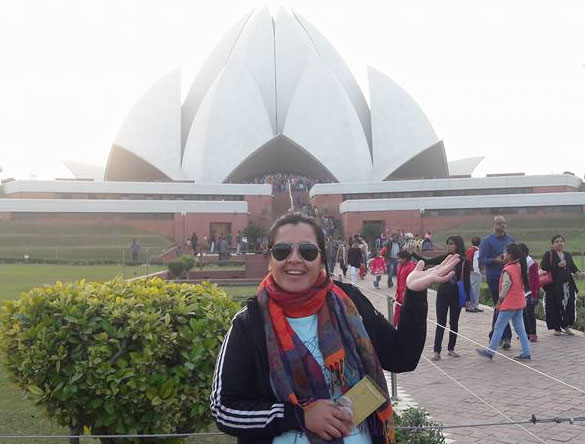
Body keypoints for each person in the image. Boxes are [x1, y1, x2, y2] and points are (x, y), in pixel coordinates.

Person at [210, 213, 459, 444]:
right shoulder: (250, 323)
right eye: (282, 250)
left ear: (321, 258)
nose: (294, 259)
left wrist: (413, 295)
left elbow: (402, 357)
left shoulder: (349, 302)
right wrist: (299, 416)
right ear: (270, 259)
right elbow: (223, 409)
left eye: (307, 251)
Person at [417, 236, 470, 361]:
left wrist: (468, 297)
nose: (449, 246)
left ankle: (451, 348)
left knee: (454, 322)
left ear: (458, 245)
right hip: (443, 293)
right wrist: (412, 253)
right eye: (448, 244)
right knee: (441, 322)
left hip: (456, 294)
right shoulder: (446, 259)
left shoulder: (464, 261)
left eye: (451, 244)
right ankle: (437, 350)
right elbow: (426, 260)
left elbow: (467, 280)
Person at [477, 243, 532, 361]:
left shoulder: (508, 269)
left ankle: (490, 351)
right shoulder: (519, 266)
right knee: (520, 329)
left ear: (510, 255)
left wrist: (499, 300)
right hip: (519, 302)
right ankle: (526, 352)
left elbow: (506, 286)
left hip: (509, 303)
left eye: (505, 252)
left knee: (498, 327)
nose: (504, 254)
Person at [479, 216, 515, 349]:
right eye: (499, 224)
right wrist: (495, 260)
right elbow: (482, 259)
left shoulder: (510, 240)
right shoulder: (487, 241)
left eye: (504, 223)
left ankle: (495, 334)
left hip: (509, 277)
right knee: (501, 305)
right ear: (494, 225)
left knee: (501, 307)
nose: (502, 226)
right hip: (494, 277)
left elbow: (517, 256)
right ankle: (505, 337)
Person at [540, 234, 583, 336]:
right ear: (553, 244)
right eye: (557, 241)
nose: (560, 243)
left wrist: (579, 273)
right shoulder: (549, 254)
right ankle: (557, 328)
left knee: (569, 306)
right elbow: (543, 266)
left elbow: (573, 268)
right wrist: (557, 265)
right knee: (555, 306)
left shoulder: (567, 255)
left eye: (561, 241)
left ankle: (566, 326)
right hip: (553, 286)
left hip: (567, 286)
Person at [518, 243, 540, 342]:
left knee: (530, 313)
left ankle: (533, 333)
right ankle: (526, 332)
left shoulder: (531, 263)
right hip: (523, 291)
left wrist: (535, 294)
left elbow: (536, 280)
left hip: (531, 292)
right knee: (523, 313)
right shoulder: (520, 263)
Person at [394, 250, 416, 326]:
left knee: (405, 317)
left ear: (405, 258)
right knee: (397, 315)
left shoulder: (412, 267)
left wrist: (406, 293)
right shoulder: (400, 266)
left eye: (399, 258)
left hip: (407, 296)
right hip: (399, 295)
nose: (398, 260)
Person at [465, 237, 483, 313]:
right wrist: (478, 271)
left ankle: (469, 304)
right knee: (475, 289)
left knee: (471, 288)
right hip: (475, 272)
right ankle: (474, 305)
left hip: (469, 271)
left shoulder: (469, 250)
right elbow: (476, 262)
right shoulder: (477, 251)